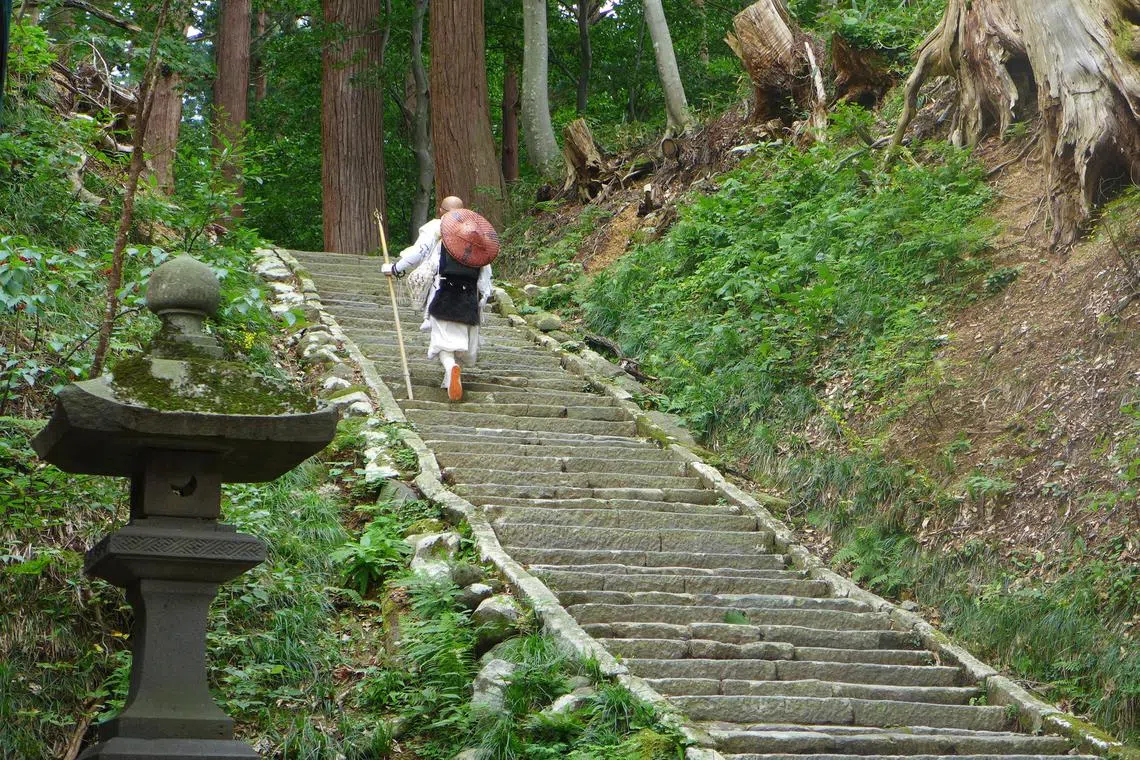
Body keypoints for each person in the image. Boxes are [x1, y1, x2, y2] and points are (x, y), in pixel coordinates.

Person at [382, 199, 499, 401]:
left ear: (441, 212)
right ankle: (451, 381)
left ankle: (450, 368)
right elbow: (485, 283)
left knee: (442, 343)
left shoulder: (443, 242)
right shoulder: (481, 251)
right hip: (469, 300)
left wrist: (395, 269)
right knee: (460, 342)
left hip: (444, 294)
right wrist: (480, 304)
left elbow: (426, 266)